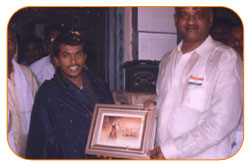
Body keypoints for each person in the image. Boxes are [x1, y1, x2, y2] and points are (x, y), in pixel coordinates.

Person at [145, 7, 243, 159]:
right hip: (162, 155)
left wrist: (170, 150)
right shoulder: (167, 60)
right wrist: (153, 109)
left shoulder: (225, 58)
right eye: (184, 15)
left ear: (210, 19)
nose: (191, 21)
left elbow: (222, 122)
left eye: (199, 15)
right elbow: (170, 106)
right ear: (175, 20)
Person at [26, 31, 114, 159]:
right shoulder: (48, 93)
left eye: (78, 54)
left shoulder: (99, 85)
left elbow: (113, 121)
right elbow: (42, 140)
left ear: (85, 57)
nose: (74, 61)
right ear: (56, 60)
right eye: (66, 55)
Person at [8, 28, 39, 157]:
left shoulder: (26, 74)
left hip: (26, 148)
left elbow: (39, 109)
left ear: (15, 46)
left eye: (10, 41)